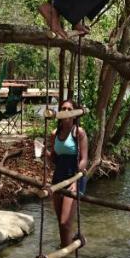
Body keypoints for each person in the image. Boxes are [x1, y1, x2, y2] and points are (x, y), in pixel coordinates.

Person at [43, 98, 87, 248]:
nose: (66, 111)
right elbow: (54, 159)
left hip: (74, 177)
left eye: (69, 109)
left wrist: (75, 180)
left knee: (65, 221)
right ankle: (66, 249)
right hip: (58, 177)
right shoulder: (55, 133)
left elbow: (84, 160)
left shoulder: (78, 132)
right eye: (63, 108)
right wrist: (45, 153)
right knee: (60, 223)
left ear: (75, 114)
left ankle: (67, 254)